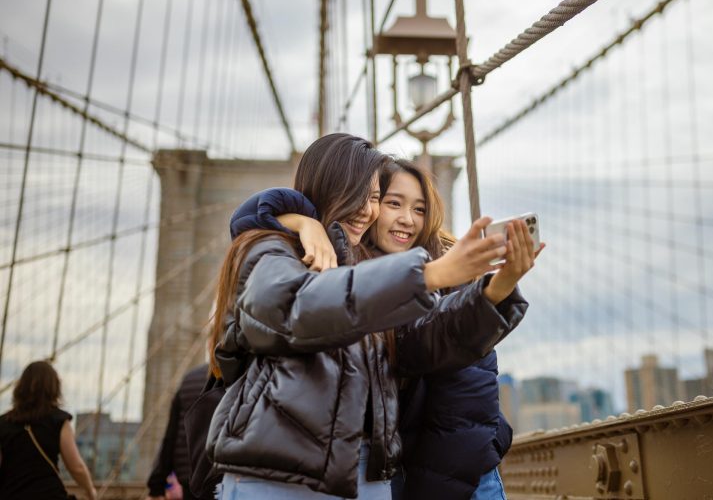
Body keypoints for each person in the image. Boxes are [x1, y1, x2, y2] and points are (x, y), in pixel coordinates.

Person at [207, 133, 532, 499]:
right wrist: (430, 275)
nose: (367, 209)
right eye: (362, 194)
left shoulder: (365, 270)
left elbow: (418, 342)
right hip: (279, 476)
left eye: (375, 197)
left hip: (367, 472)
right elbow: (293, 306)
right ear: (329, 186)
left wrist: (497, 289)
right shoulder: (273, 247)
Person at [0, 361, 97, 500]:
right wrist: (90, 491)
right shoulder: (59, 420)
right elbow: (76, 467)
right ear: (53, 388)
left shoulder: (3, 423)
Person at [146, 363, 212, 500]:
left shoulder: (189, 379)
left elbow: (171, 436)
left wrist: (156, 484)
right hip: (226, 477)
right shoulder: (243, 378)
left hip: (190, 478)